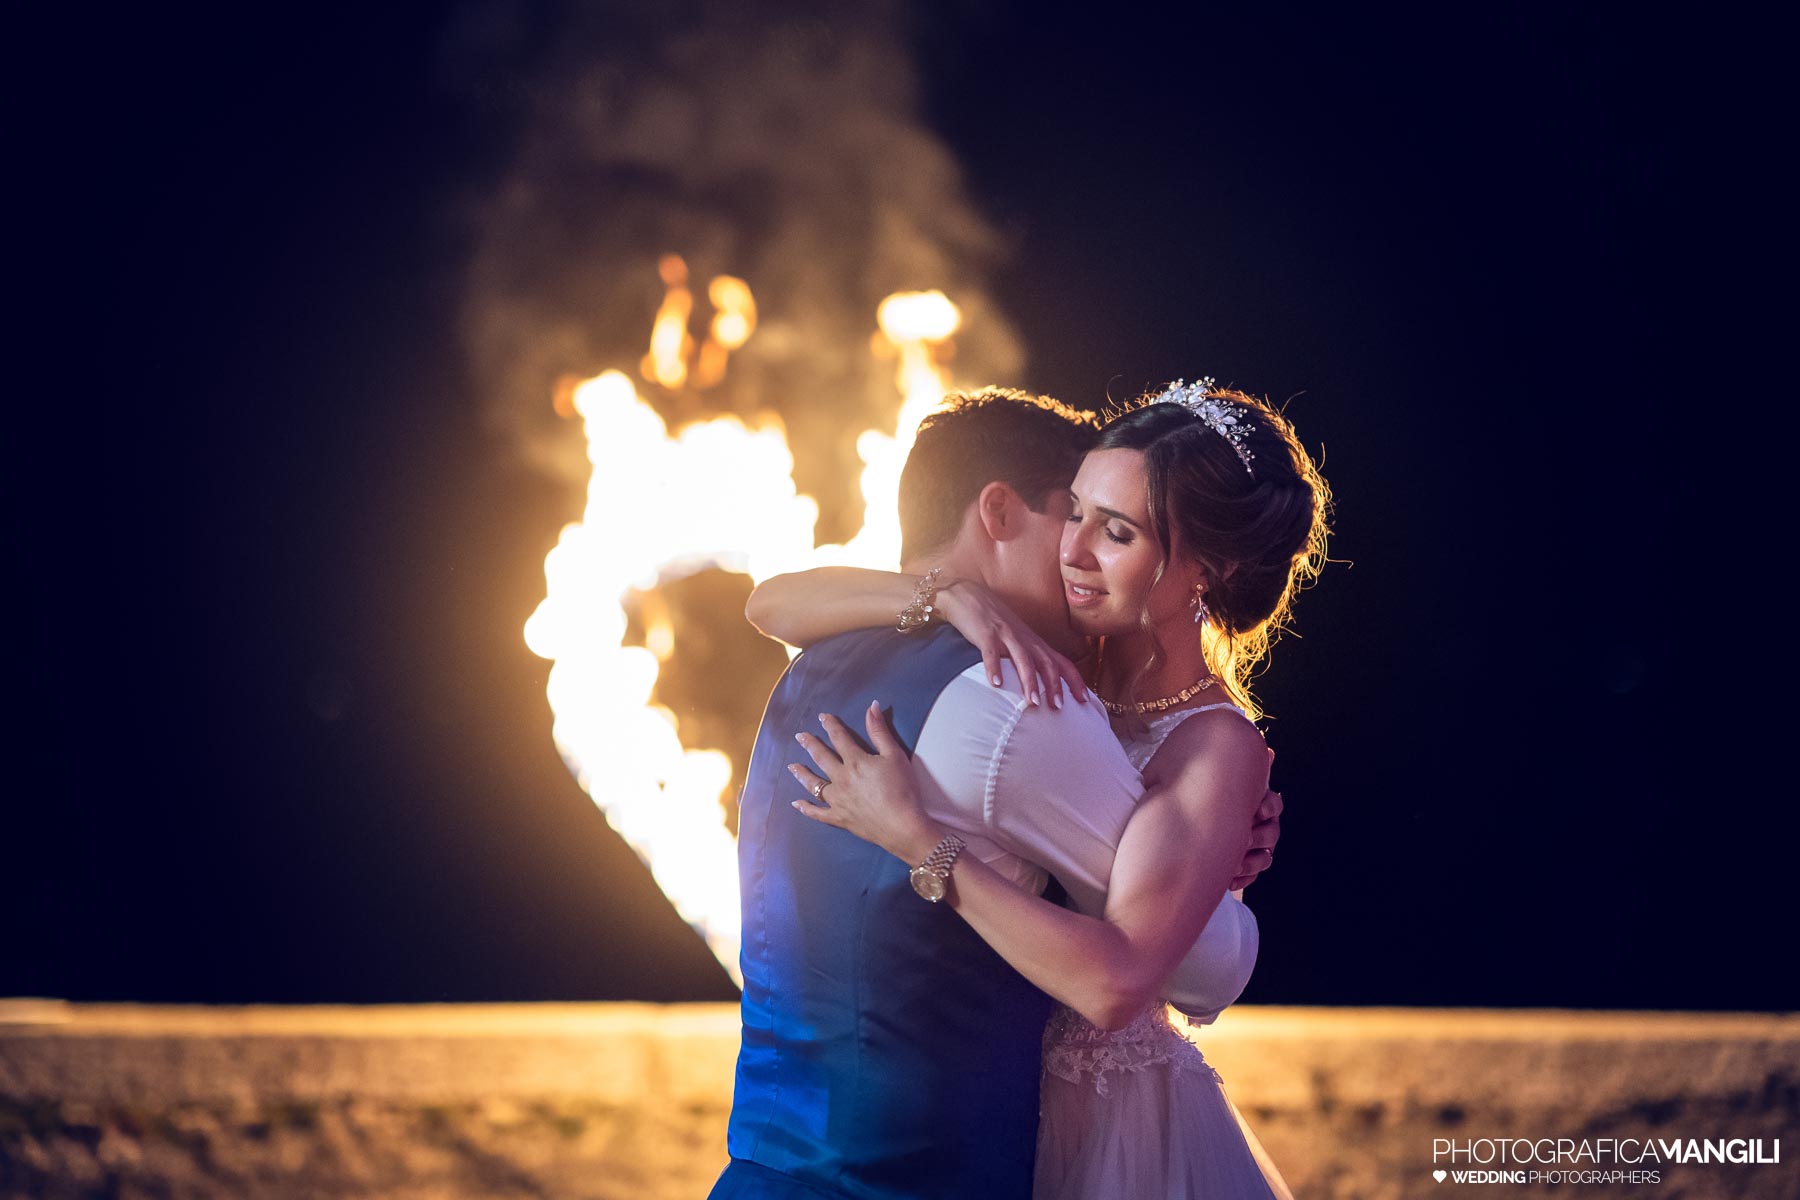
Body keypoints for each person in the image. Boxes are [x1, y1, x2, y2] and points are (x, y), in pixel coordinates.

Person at [707, 388, 1283, 1200]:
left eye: (1115, 530)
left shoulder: (815, 663)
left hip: (768, 1166)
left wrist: (1209, 840)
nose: (1078, 554)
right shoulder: (1025, 705)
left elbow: (769, 602)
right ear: (1000, 512)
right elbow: (1207, 967)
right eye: (1072, 515)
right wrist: (1210, 876)